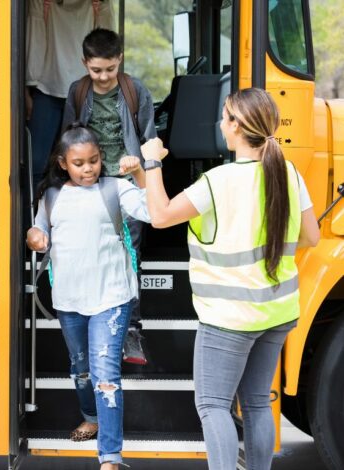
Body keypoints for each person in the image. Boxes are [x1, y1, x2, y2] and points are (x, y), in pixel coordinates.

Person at [141, 88, 320, 470]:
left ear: (238, 126)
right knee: (256, 401)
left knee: (213, 405)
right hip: (276, 310)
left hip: (230, 318)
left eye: (225, 117)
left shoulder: (217, 182)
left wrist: (152, 164)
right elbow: (310, 237)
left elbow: (160, 216)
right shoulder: (288, 173)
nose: (221, 123)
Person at [27, 123, 148, 470]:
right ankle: (90, 417)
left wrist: (141, 172)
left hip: (112, 298)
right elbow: (39, 230)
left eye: (94, 160)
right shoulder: (51, 196)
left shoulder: (115, 189)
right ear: (63, 163)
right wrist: (33, 236)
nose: (88, 168)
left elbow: (152, 211)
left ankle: (110, 457)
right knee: (81, 371)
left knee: (105, 375)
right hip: (69, 299)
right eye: (79, 163)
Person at [61, 27, 156, 365]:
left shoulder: (135, 91)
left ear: (120, 61)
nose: (103, 77)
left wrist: (143, 169)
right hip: (90, 185)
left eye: (110, 69)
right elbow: (69, 138)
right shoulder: (78, 92)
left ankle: (130, 330)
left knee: (128, 258)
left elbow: (149, 140)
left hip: (125, 183)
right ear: (85, 63)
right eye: (96, 70)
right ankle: (93, 321)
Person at [26, 0, 114, 185]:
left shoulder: (98, 4)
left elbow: (35, 47)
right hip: (52, 89)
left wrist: (29, 84)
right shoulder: (97, 5)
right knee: (43, 162)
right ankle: (37, 210)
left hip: (72, 91)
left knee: (72, 162)